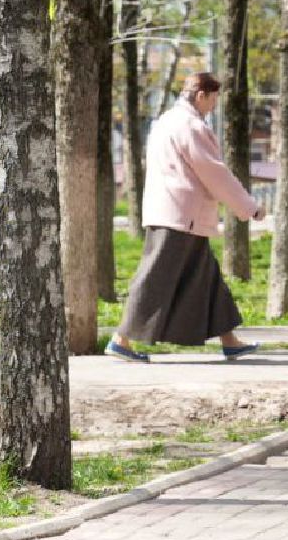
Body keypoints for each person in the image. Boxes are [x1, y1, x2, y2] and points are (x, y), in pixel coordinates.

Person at [107, 72, 265, 363]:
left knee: (208, 278)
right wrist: (248, 207)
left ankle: (230, 341)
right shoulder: (191, 127)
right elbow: (214, 172)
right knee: (155, 278)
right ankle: (121, 339)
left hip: (172, 211)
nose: (214, 106)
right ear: (201, 95)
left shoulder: (165, 121)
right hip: (181, 215)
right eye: (213, 99)